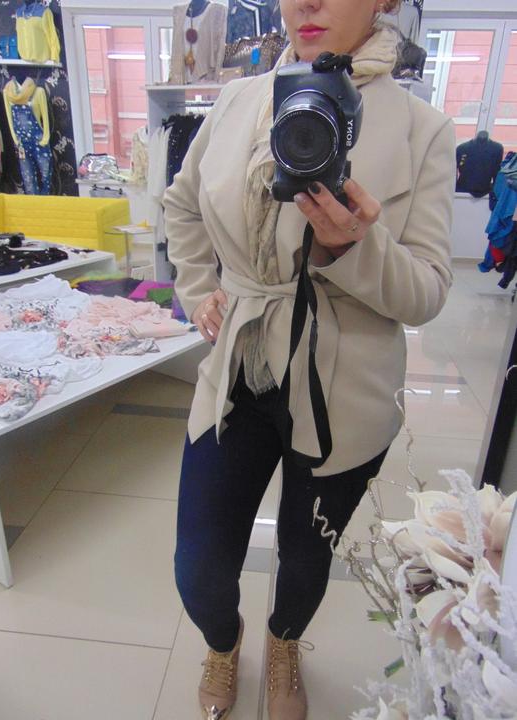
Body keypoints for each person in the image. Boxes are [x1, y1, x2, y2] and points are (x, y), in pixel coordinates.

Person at [163, 0, 455, 717]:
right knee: (198, 568)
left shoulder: (422, 128)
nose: (308, 3)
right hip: (240, 365)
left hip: (344, 386)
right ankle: (223, 640)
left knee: (304, 559)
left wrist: (356, 246)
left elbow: (426, 291)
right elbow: (182, 204)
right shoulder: (237, 101)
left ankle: (285, 642)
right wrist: (198, 288)